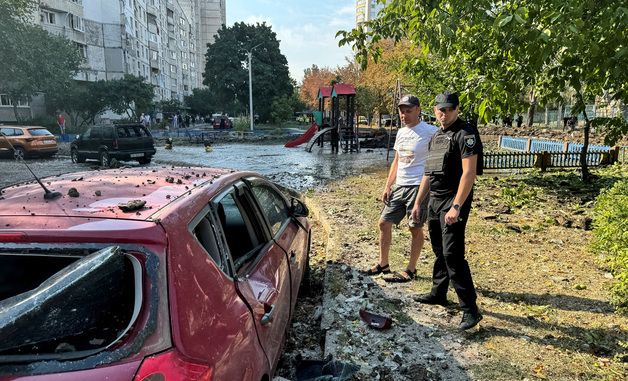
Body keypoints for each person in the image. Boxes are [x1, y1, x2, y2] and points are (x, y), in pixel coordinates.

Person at [411, 90, 484, 330]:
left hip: (454, 201)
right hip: (434, 200)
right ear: (435, 110)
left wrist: (456, 206)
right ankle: (438, 293)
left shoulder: (466, 133)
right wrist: (418, 203)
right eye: (441, 109)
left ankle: (470, 310)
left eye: (449, 109)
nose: (444, 113)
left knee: (452, 254)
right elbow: (428, 173)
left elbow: (469, 173)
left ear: (457, 109)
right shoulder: (436, 137)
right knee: (439, 249)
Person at [364, 95, 438, 283]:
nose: (404, 115)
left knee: (414, 227)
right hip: (400, 185)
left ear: (418, 110)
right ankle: (383, 263)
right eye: (402, 111)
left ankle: (411, 269)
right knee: (383, 223)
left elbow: (437, 160)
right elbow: (397, 161)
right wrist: (388, 185)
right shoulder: (401, 132)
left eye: (408, 111)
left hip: (418, 185)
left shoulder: (431, 131)